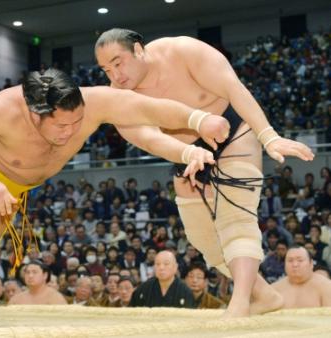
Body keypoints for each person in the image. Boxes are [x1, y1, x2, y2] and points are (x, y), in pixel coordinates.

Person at [0, 68, 229, 331]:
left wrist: (198, 119)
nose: (69, 132)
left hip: (17, 186)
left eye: (76, 123)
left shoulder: (93, 102)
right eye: (60, 125)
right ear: (35, 114)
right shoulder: (4, 109)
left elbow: (149, 108)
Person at [95, 28, 314, 317]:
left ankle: (239, 304)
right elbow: (149, 139)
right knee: (202, 237)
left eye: (118, 62)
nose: (115, 75)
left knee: (236, 217)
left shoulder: (183, 51)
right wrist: (187, 153)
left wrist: (268, 135)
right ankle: (263, 294)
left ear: (138, 49)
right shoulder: (118, 98)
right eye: (106, 69)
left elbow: (234, 88)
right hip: (184, 154)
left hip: (232, 133)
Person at [129, 251, 194, 308]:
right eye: (158, 264)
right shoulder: (145, 287)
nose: (161, 267)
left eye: (166, 264)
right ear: (154, 267)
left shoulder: (184, 290)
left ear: (175, 267)